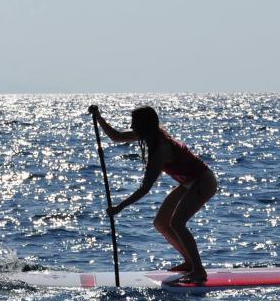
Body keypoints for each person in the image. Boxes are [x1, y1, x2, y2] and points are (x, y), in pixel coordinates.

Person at [88, 104, 217, 284]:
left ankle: (199, 271)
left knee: (177, 223)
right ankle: (189, 263)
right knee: (161, 223)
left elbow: (145, 188)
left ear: (145, 126)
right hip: (188, 182)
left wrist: (119, 207)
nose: (132, 127)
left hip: (203, 181)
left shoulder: (161, 149)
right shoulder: (150, 135)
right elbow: (117, 137)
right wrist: (99, 117)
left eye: (135, 124)